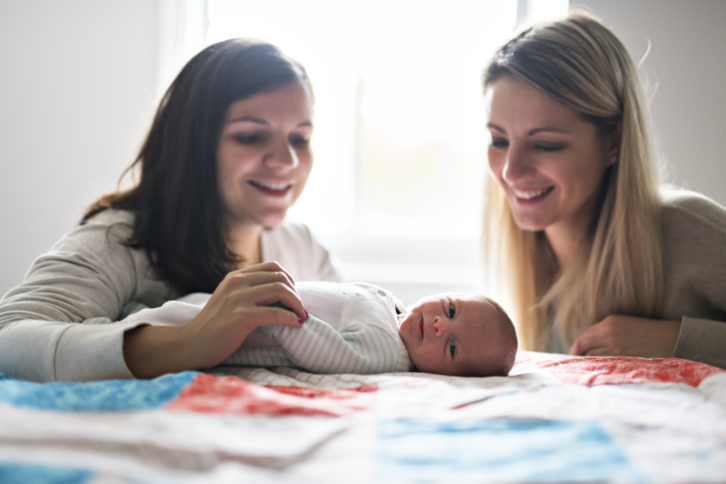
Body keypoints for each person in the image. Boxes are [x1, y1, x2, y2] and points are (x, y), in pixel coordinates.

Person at [0, 39, 342, 382]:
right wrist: (191, 340)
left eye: (300, 138)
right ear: (192, 143)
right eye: (251, 137)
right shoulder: (121, 241)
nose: (287, 161)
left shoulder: (303, 249)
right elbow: (8, 337)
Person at [482, 13, 726, 369]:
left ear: (614, 140)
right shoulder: (529, 258)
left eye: (546, 145)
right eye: (498, 140)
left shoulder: (684, 229)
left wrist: (672, 340)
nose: (510, 170)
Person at [113, 280, 518, 377]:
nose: (436, 325)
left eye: (451, 348)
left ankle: (116, 325)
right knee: (187, 305)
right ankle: (137, 311)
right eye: (449, 309)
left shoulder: (385, 353)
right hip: (233, 304)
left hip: (245, 327)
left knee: (176, 321)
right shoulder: (389, 309)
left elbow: (327, 353)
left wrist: (273, 320)